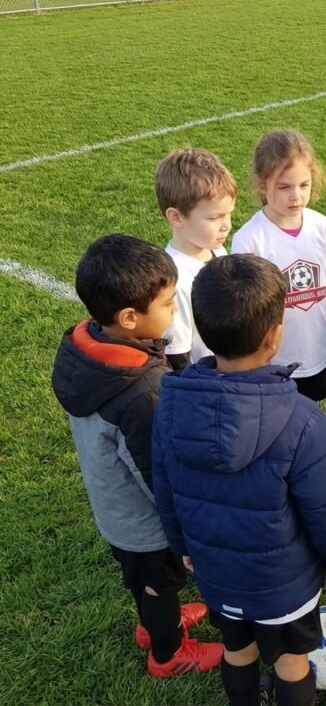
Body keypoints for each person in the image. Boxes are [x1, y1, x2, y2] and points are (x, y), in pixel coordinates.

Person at [152, 254, 326, 706]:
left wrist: (183, 546)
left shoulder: (170, 406)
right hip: (284, 587)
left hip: (218, 578)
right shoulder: (302, 419)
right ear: (275, 335)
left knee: (238, 650)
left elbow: (165, 489)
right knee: (291, 664)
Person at [51, 234, 224, 678]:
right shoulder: (139, 394)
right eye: (167, 304)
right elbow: (156, 472)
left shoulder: (86, 348)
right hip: (141, 523)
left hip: (111, 504)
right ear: (129, 318)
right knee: (157, 580)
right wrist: (184, 525)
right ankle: (166, 652)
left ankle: (153, 622)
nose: (174, 311)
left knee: (147, 581)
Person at [232, 129, 326, 401]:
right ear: (262, 185)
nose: (296, 196)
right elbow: (245, 309)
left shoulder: (321, 226)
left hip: (315, 351)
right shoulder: (249, 239)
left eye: (304, 185)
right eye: (284, 187)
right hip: (272, 359)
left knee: (311, 414)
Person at [155, 147, 238, 371]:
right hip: (206, 385)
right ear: (176, 217)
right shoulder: (176, 280)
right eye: (214, 217)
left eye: (229, 213)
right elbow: (178, 356)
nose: (226, 225)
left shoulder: (216, 251)